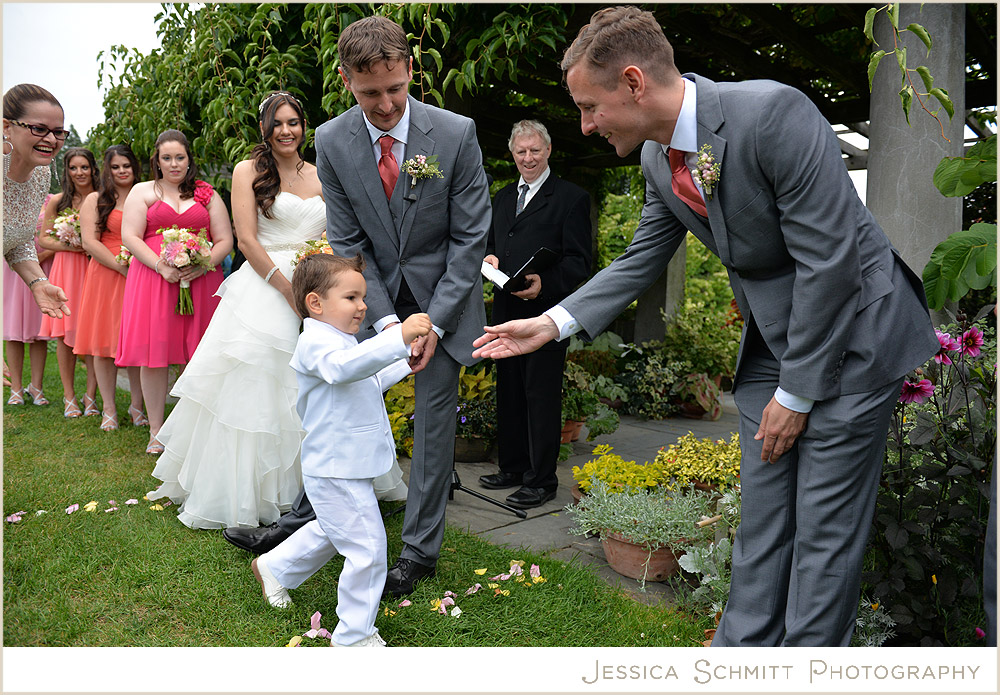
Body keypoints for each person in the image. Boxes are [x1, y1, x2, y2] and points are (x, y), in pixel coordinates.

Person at [473, 6, 939, 646]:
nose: (583, 126)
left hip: (857, 334)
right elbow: (640, 259)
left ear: (634, 83)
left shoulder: (774, 113)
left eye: (589, 106)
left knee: (823, 542)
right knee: (762, 525)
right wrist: (551, 322)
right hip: (779, 343)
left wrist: (795, 395)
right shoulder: (657, 163)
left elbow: (831, 266)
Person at [224, 15, 491, 601]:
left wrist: (433, 323)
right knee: (339, 415)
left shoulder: (456, 133)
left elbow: (470, 240)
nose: (387, 104)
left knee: (434, 426)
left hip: (445, 304)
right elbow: (348, 242)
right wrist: (389, 324)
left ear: (409, 70)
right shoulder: (333, 139)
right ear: (346, 80)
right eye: (371, 93)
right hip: (367, 304)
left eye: (396, 88)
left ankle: (418, 552)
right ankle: (301, 524)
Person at [148, 92, 406, 529]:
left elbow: (344, 232)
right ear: (264, 128)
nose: (287, 131)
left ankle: (329, 485)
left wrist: (327, 287)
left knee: (324, 385)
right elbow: (246, 239)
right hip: (267, 284)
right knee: (259, 388)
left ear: (304, 127)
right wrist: (290, 292)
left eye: (294, 122)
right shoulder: (249, 171)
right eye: (278, 123)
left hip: (321, 286)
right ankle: (255, 494)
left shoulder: (323, 171)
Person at [252, 253, 430, 647]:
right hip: (335, 467)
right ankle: (354, 637)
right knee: (367, 548)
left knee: (337, 531)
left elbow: (362, 378)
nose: (363, 306)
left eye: (363, 297)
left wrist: (404, 360)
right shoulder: (316, 342)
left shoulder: (340, 342)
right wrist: (395, 338)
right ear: (316, 303)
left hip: (344, 464)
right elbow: (344, 369)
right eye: (352, 297)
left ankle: (274, 567)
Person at [478, 119, 591, 509]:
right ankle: (512, 467)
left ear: (548, 151)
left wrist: (546, 281)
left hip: (547, 315)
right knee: (508, 392)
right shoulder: (504, 197)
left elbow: (580, 262)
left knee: (541, 398)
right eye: (521, 151)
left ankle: (542, 482)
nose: (528, 157)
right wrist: (489, 258)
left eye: (535, 150)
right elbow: (493, 244)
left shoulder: (571, 198)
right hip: (506, 309)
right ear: (512, 154)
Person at [116, 129, 233, 454]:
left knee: (196, 353)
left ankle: (193, 424)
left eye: (179, 157)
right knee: (155, 355)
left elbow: (225, 239)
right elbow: (131, 236)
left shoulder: (205, 193)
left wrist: (205, 262)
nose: (174, 163)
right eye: (166, 158)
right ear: (157, 160)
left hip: (200, 279)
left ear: (188, 159)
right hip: (154, 280)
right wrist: (160, 266)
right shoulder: (143, 191)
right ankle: (157, 429)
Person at [73, 145, 147, 431]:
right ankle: (109, 409)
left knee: (136, 343)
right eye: (115, 167)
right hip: (106, 273)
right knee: (104, 345)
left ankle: (138, 407)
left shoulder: (145, 195)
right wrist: (119, 266)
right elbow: (90, 242)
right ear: (107, 169)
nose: (122, 171)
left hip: (140, 273)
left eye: (126, 165)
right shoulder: (96, 199)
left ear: (134, 167)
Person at [38, 147, 100, 417]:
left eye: (84, 167)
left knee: (95, 330)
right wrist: (73, 244)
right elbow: (44, 239)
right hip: (68, 266)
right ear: (67, 170)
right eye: (73, 168)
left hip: (95, 266)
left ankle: (91, 396)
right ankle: (69, 397)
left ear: (93, 169)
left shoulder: (103, 200)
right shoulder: (60, 201)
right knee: (65, 333)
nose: (79, 173)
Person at [3, 84, 72, 320]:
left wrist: (39, 283)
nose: (51, 139)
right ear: (6, 127)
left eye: (59, 131)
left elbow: (17, 240)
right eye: (39, 129)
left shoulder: (40, 175)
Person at [4, 193, 54, 406]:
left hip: (43, 267)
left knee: (38, 330)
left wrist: (42, 255)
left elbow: (58, 235)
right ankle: (16, 388)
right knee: (14, 330)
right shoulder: (8, 196)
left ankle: (36, 386)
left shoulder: (53, 201)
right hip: (13, 268)